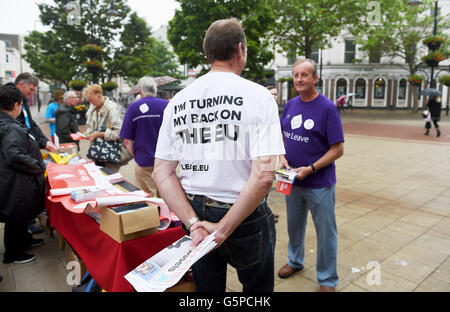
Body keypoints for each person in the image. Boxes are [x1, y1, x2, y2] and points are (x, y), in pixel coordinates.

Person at [152, 18, 285, 292]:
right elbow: (264, 176)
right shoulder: (259, 96)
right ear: (240, 50)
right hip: (243, 214)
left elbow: (161, 172)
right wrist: (222, 229)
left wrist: (193, 224)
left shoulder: (177, 102)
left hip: (194, 212)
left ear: (208, 53)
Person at [277, 58, 344, 292]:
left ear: (315, 78)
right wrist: (282, 157)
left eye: (304, 75)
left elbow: (338, 149)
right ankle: (295, 261)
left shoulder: (327, 108)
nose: (299, 79)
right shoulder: (290, 104)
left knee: (325, 232)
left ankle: (327, 279)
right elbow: (284, 137)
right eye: (296, 75)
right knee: (294, 226)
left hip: (319, 183)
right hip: (291, 180)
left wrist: (312, 168)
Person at [0, 85, 46, 264]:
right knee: (15, 217)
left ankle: (24, 241)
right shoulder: (10, 126)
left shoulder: (7, 123)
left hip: (14, 179)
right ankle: (13, 253)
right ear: (16, 105)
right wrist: (37, 166)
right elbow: (14, 154)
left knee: (19, 217)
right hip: (15, 181)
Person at [120, 76, 168, 197]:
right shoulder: (168, 105)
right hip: (165, 160)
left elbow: (127, 140)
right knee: (167, 196)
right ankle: (166, 216)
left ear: (140, 91)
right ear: (155, 90)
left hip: (144, 160)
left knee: (149, 198)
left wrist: (136, 156)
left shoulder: (133, 108)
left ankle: (153, 216)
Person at [10, 73, 57, 152]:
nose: (32, 93)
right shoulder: (10, 100)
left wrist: (45, 140)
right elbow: (21, 127)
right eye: (31, 89)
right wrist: (42, 142)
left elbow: (31, 123)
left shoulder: (23, 100)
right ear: (20, 84)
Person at [84, 84, 125, 172]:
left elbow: (119, 132)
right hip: (96, 152)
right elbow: (90, 127)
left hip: (109, 154)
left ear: (99, 96)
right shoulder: (94, 108)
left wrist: (99, 134)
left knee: (109, 177)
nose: (91, 103)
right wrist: (86, 134)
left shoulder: (111, 109)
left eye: (92, 100)